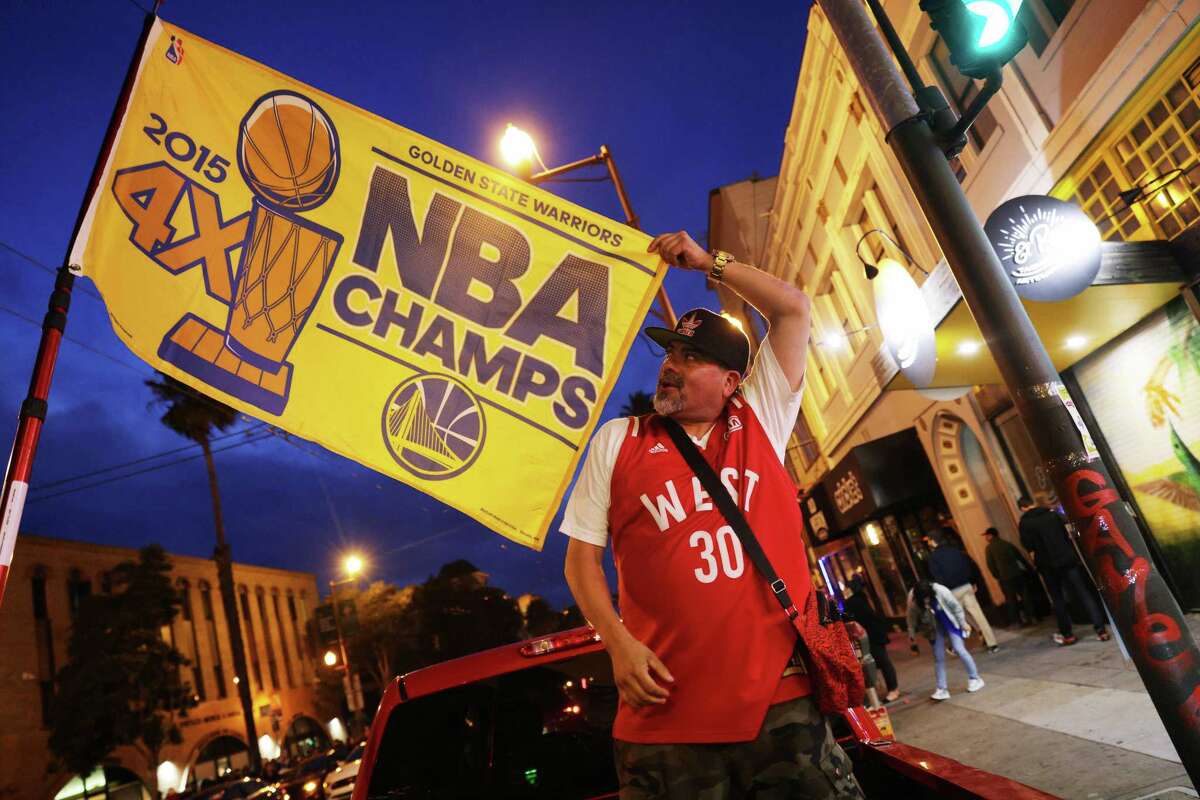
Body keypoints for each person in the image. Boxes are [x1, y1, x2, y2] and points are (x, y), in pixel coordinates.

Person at [562, 231, 863, 799]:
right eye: (671, 353)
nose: (671, 366)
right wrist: (618, 643)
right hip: (667, 718)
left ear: (731, 382)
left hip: (779, 702)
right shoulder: (619, 440)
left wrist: (708, 263)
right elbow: (580, 561)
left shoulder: (760, 420)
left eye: (691, 357)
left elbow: (793, 308)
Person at [1017, 496, 1111, 646]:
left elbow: (1029, 546)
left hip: (1047, 565)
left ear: (1022, 508)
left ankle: (1068, 634)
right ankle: (1101, 630)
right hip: (1067, 559)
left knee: (1058, 599)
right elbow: (1068, 534)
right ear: (1033, 503)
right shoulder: (1053, 514)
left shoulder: (1024, 523)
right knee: (1083, 592)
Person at [906, 580, 985, 700]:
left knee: (959, 649)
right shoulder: (914, 599)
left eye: (928, 597)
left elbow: (956, 607)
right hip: (934, 627)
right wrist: (911, 634)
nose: (926, 601)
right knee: (938, 656)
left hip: (950, 621)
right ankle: (942, 689)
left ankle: (975, 678)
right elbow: (911, 617)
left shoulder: (941, 591)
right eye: (924, 599)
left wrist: (963, 623)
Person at [927, 527, 999, 653]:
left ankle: (955, 647)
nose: (928, 543)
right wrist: (972, 582)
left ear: (933, 541)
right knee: (978, 615)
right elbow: (968, 566)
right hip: (966, 587)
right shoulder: (956, 551)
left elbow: (938, 577)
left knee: (954, 619)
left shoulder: (934, 558)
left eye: (929, 540)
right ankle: (992, 643)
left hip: (952, 592)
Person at [842, 575, 900, 702]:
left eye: (846, 588)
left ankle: (893, 689)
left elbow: (851, 619)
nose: (844, 591)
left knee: (882, 662)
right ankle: (890, 688)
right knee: (879, 662)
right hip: (872, 635)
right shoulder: (860, 599)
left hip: (872, 636)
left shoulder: (853, 602)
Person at [983, 527, 1037, 627]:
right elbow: (1019, 558)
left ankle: (1018, 621)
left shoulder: (989, 548)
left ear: (991, 536)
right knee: (1025, 596)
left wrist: (997, 575)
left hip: (1005, 577)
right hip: (1017, 574)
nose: (985, 538)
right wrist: (1028, 570)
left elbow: (991, 565)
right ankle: (1032, 617)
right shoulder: (1007, 544)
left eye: (986, 535)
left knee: (1011, 599)